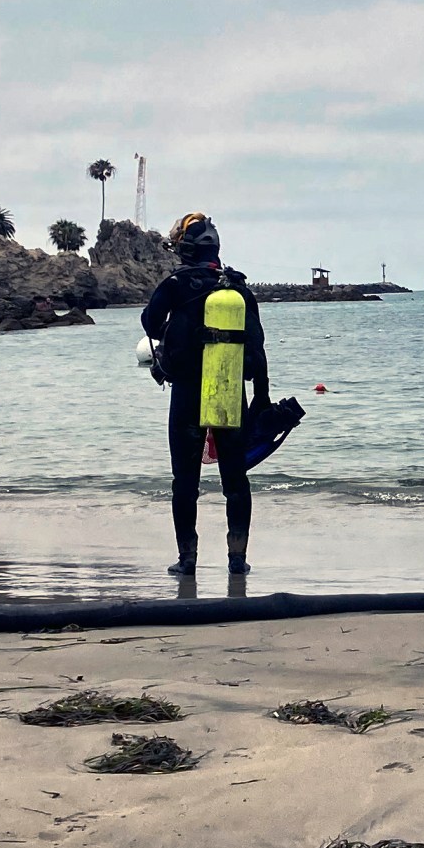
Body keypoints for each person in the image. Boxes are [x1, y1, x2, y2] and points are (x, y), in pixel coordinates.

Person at [140, 213, 268, 576]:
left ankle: (187, 560)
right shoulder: (237, 287)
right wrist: (261, 398)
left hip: (187, 395)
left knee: (185, 482)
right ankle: (237, 560)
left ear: (184, 248)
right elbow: (257, 348)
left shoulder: (176, 283)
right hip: (228, 392)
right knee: (236, 481)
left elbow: (150, 323)